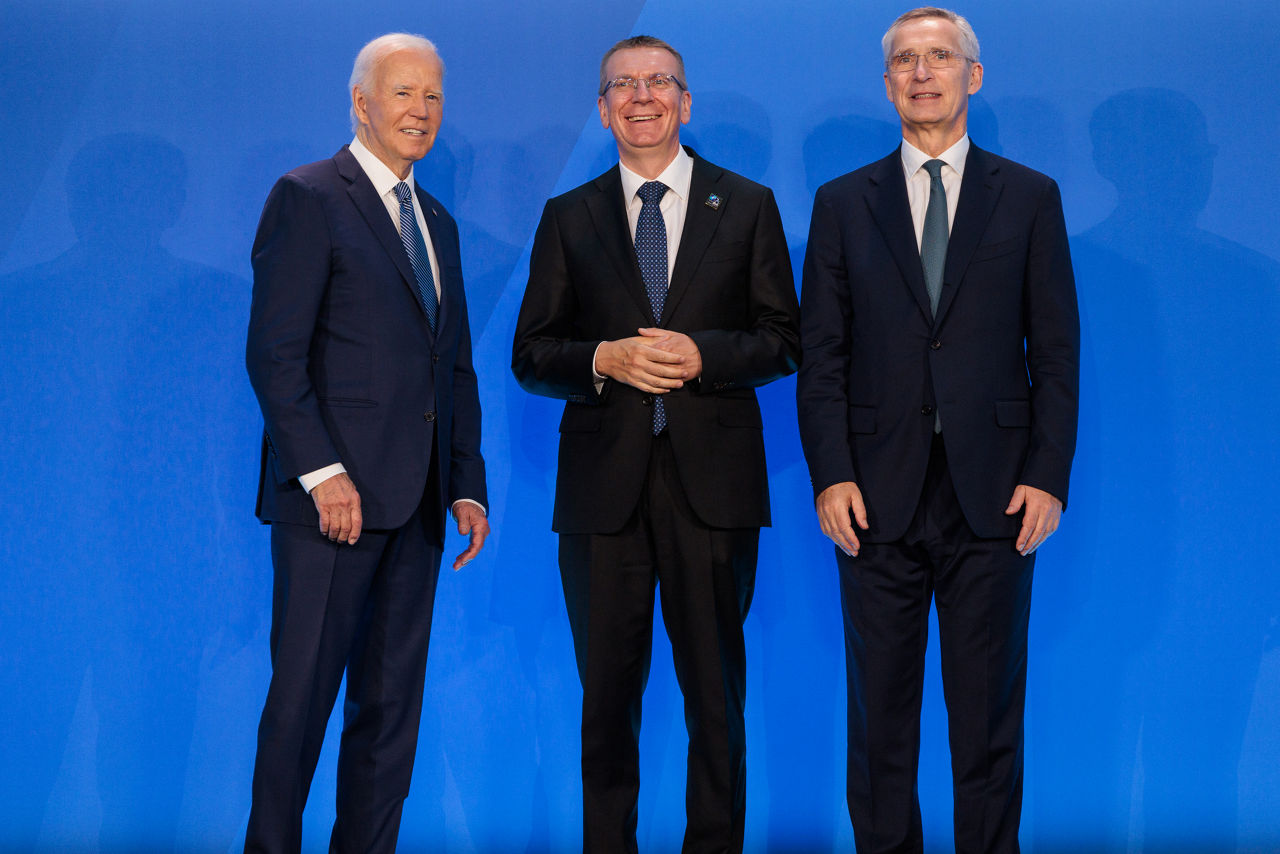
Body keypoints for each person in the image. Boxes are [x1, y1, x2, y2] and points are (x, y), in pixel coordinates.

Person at [796, 8, 1079, 853]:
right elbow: (824, 357)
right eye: (906, 61)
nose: (923, 73)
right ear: (887, 84)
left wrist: (1049, 472)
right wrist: (831, 474)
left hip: (996, 498)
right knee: (879, 725)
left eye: (941, 57)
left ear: (973, 76)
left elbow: (1056, 351)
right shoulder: (843, 203)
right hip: (874, 500)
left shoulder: (1029, 196)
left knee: (988, 723)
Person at [511, 35, 800, 854]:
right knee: (605, 706)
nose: (643, 97)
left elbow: (785, 338)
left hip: (715, 492)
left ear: (686, 101)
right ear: (602, 109)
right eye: (623, 85)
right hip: (603, 498)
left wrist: (706, 355)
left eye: (660, 82)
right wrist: (602, 359)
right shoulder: (568, 218)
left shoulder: (746, 205)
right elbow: (531, 355)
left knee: (717, 703)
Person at [243, 33, 489, 854]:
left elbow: (450, 365)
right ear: (362, 103)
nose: (420, 112)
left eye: (433, 97)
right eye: (403, 94)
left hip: (416, 508)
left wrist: (466, 483)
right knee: (301, 705)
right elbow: (275, 354)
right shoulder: (309, 196)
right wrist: (321, 474)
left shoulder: (440, 224)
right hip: (329, 511)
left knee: (389, 715)